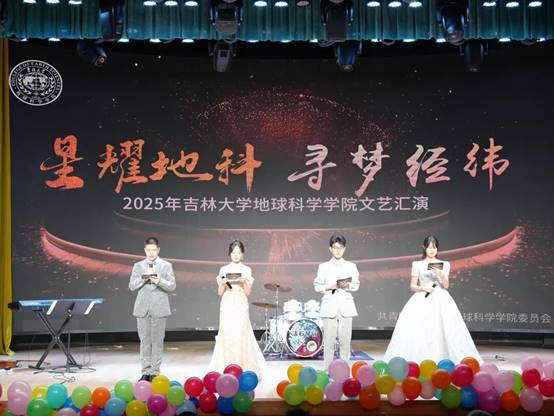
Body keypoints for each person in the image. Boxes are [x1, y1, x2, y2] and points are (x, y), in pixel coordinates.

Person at [384, 235, 482, 363]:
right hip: (422, 298)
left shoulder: (445, 264)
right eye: (429, 248)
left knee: (445, 328)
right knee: (420, 328)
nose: (432, 250)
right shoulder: (417, 264)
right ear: (424, 248)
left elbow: (446, 285)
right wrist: (423, 288)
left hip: (441, 298)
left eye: (434, 248)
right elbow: (412, 286)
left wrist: (440, 274)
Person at [209, 240, 267, 376]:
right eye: (233, 252)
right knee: (227, 333)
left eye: (238, 252)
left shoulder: (247, 270)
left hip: (240, 303)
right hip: (227, 303)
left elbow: (248, 292)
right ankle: (226, 368)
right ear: (229, 254)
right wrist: (223, 283)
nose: (236, 255)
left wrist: (243, 282)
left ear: (242, 254)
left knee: (241, 333)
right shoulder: (223, 269)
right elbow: (220, 292)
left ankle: (243, 368)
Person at [129, 236, 176, 381]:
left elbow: (172, 286)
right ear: (145, 250)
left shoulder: (166, 265)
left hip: (159, 307)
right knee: (144, 341)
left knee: (157, 341)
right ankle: (145, 371)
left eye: (153, 250)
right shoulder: (138, 266)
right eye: (148, 250)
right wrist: (144, 278)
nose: (151, 253)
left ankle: (154, 372)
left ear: (158, 250)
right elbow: (132, 286)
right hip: (142, 308)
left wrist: (159, 281)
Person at [314, 234, 360, 369]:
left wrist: (347, 285)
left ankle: (344, 370)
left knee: (345, 342)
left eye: (340, 247)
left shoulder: (351, 266)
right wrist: (329, 286)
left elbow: (356, 285)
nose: (338, 250)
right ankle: (328, 369)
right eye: (335, 247)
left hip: (346, 307)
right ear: (330, 248)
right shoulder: (323, 267)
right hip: (329, 306)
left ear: (344, 248)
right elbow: (317, 286)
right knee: (329, 342)